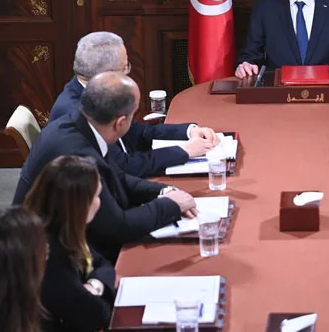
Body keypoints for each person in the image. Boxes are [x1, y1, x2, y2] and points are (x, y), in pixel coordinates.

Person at [14, 71, 198, 262]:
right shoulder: (80, 155)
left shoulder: (82, 124)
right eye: (132, 115)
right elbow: (117, 228)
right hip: (45, 257)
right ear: (120, 123)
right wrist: (170, 206)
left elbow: (118, 176)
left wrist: (163, 191)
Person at [49, 31, 219, 178]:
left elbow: (138, 132)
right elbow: (124, 167)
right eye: (125, 67)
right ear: (107, 74)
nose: (128, 73)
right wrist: (184, 152)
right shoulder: (77, 112)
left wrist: (189, 131)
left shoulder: (94, 91)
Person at [23, 155, 116, 332]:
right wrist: (94, 289)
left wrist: (94, 285)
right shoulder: (48, 257)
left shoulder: (58, 229)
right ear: (79, 204)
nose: (100, 203)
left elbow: (103, 264)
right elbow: (96, 316)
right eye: (96, 196)